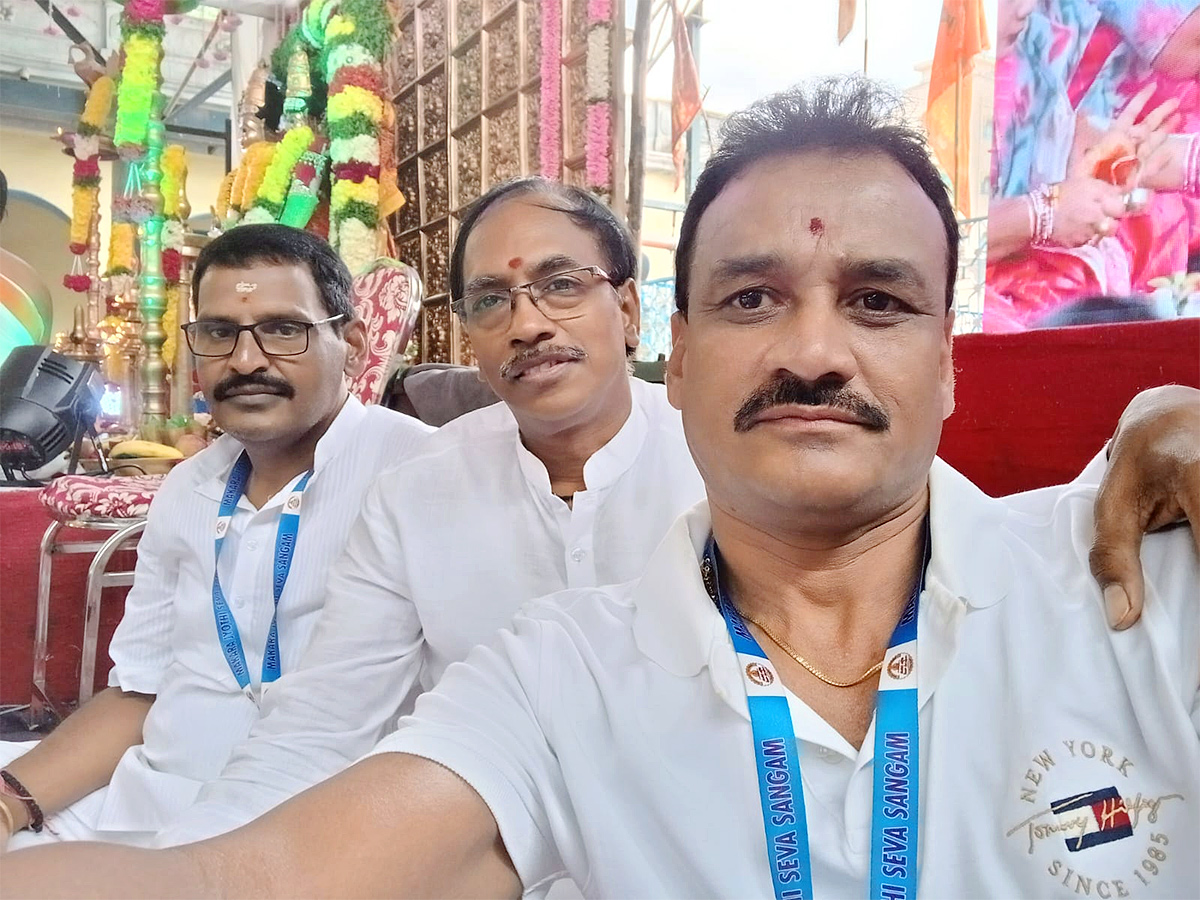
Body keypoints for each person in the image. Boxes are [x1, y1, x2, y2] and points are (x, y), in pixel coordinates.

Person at [7, 78, 1198, 898]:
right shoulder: (557, 671)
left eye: (879, 300)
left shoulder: (1138, 578)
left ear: (951, 361)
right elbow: (258, 871)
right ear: (680, 354)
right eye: (751, 298)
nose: (816, 351)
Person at [0, 224, 432, 850]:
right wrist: (11, 804)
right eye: (219, 333)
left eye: (285, 329)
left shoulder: (422, 475)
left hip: (317, 834)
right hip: (147, 798)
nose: (247, 361)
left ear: (354, 345)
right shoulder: (186, 491)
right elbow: (139, 694)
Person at [986, 0, 1200, 330]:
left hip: (1050, 287)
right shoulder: (916, 80)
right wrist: (1043, 214)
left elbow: (1078, 143)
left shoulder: (1022, 63)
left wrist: (1185, 163)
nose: (1028, 7)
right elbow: (923, 243)